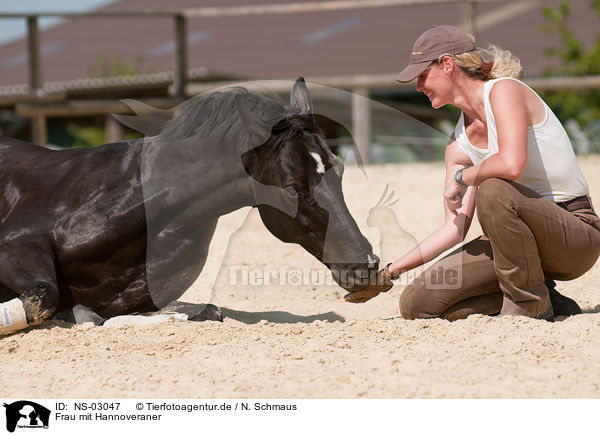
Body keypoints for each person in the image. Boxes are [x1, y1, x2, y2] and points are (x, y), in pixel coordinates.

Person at [385, 24, 599, 321]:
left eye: (422, 76)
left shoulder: (504, 91)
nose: (419, 87)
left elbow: (511, 165)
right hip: (513, 243)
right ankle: (545, 298)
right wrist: (391, 270)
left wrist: (463, 178)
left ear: (447, 65)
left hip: (575, 235)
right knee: (417, 304)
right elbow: (454, 229)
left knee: (494, 188)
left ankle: (528, 303)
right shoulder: (457, 146)